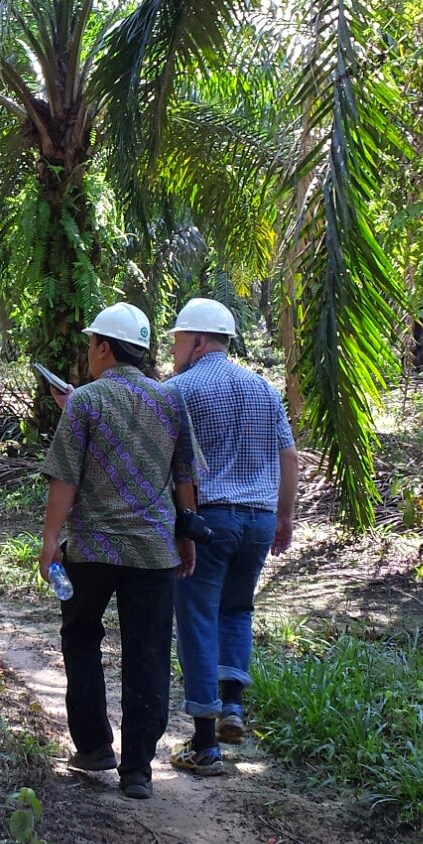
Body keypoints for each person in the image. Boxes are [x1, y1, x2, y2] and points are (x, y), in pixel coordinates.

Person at [38, 302, 199, 800]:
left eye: (91, 344)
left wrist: (49, 543)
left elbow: (64, 479)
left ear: (105, 348)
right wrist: (185, 536)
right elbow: (184, 478)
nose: (89, 353)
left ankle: (93, 746)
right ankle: (137, 771)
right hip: (153, 552)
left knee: (81, 635)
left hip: (93, 549)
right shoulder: (170, 402)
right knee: (148, 652)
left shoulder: (85, 402)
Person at [163, 298, 298, 777]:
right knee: (238, 608)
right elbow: (288, 456)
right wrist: (284, 517)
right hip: (259, 519)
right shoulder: (262, 387)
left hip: (209, 520)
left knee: (197, 616)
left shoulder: (178, 389)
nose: (174, 347)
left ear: (199, 340)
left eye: (178, 338)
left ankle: (204, 744)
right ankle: (234, 707)